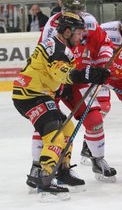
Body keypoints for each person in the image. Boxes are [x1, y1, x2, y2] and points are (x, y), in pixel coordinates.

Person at [12, 12, 110, 199]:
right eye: (78, 33)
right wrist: (88, 75)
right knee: (55, 135)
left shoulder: (58, 45)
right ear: (67, 32)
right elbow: (62, 73)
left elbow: (54, 76)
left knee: (67, 129)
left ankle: (62, 171)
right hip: (30, 96)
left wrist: (65, 87)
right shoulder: (58, 50)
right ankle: (45, 179)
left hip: (38, 94)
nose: (81, 37)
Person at [29, 0, 117, 187]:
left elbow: (103, 43)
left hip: (76, 78)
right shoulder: (53, 25)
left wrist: (102, 64)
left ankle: (97, 159)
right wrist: (67, 80)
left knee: (94, 118)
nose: (76, 13)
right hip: (54, 80)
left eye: (79, 9)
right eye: (72, 9)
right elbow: (48, 60)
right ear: (63, 9)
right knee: (47, 124)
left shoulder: (90, 22)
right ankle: (37, 165)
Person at [80, 8, 122, 164]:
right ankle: (88, 145)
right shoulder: (106, 30)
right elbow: (89, 43)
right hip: (104, 73)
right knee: (101, 108)